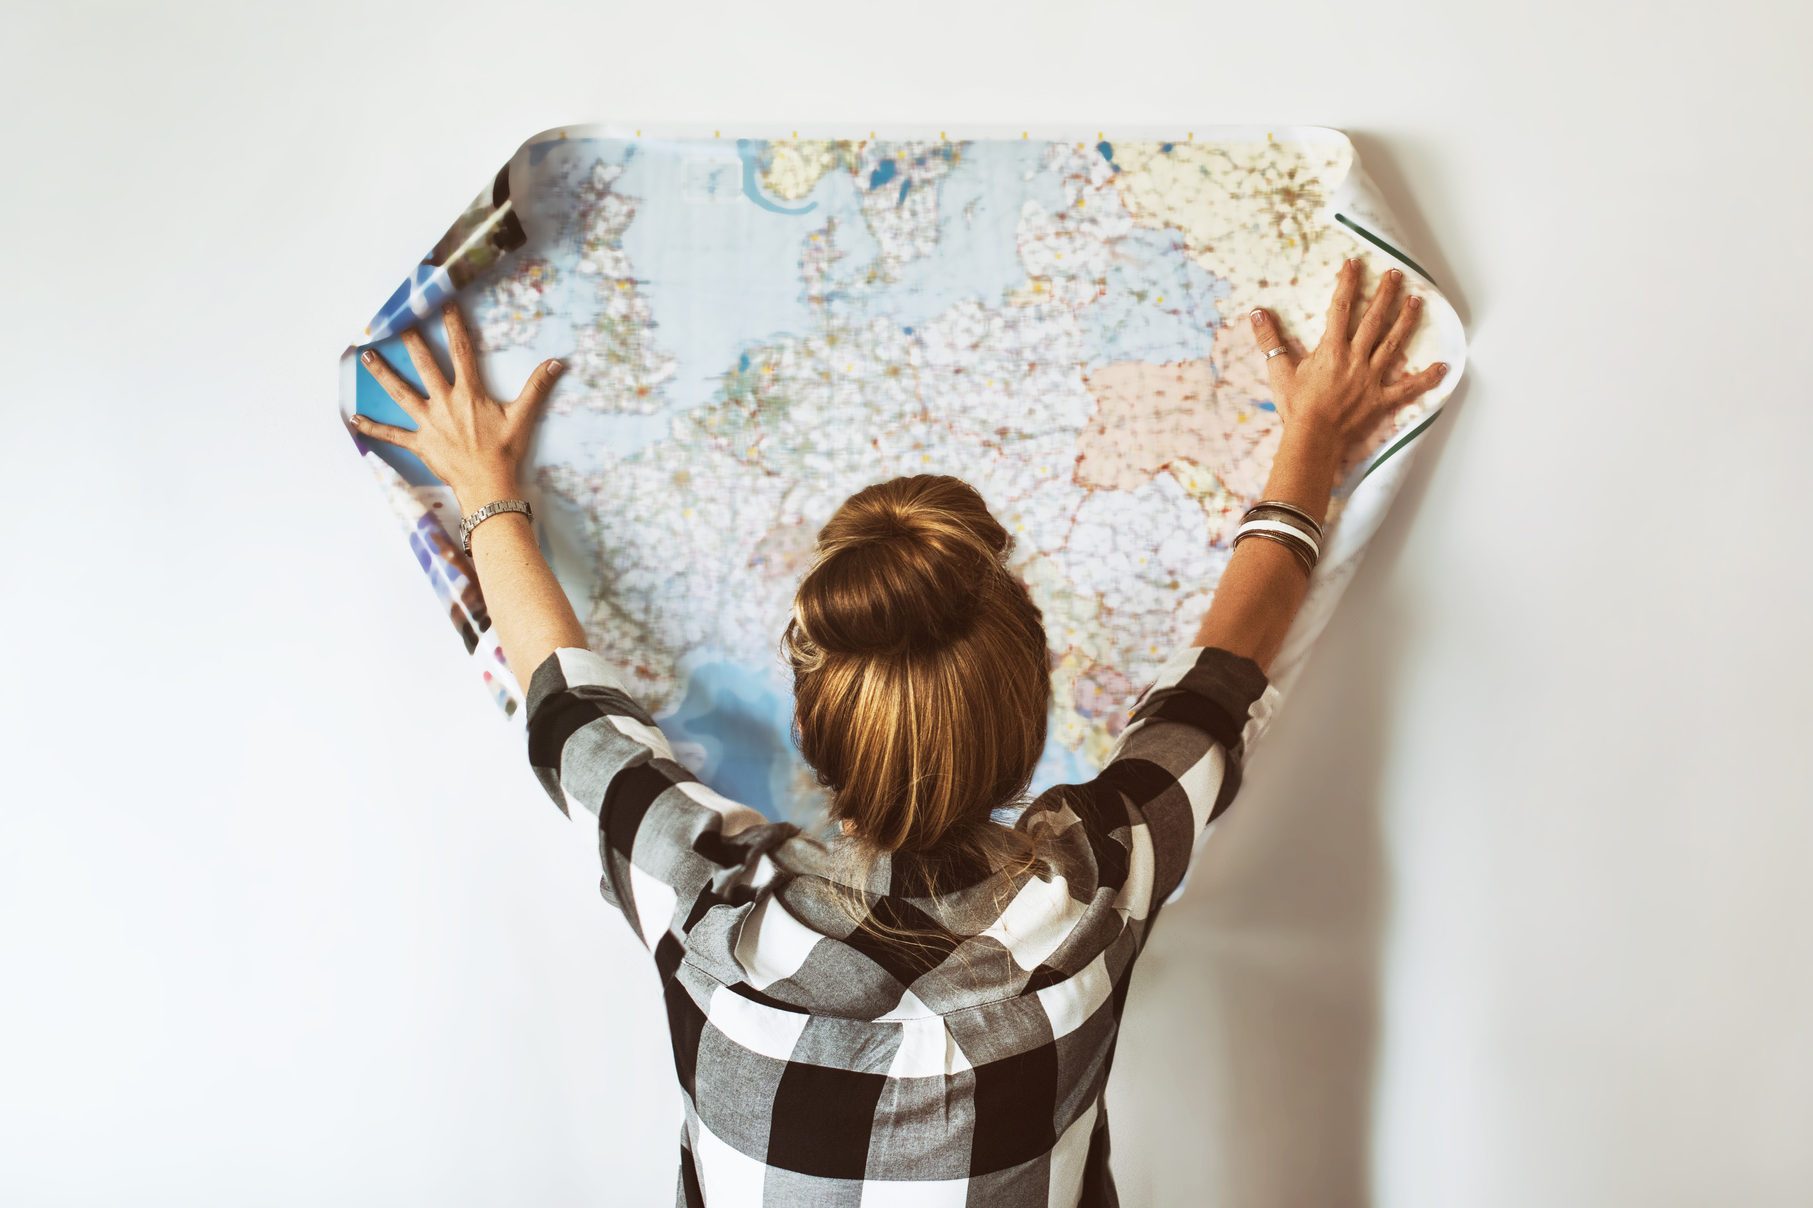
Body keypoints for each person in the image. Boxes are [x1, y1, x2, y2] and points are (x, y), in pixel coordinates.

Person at [352, 257, 1448, 1206]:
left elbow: (564, 707)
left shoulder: (703, 901)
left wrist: (487, 491)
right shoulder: (1095, 884)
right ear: (1026, 718)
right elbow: (1221, 680)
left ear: (814, 716)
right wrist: (1310, 435)